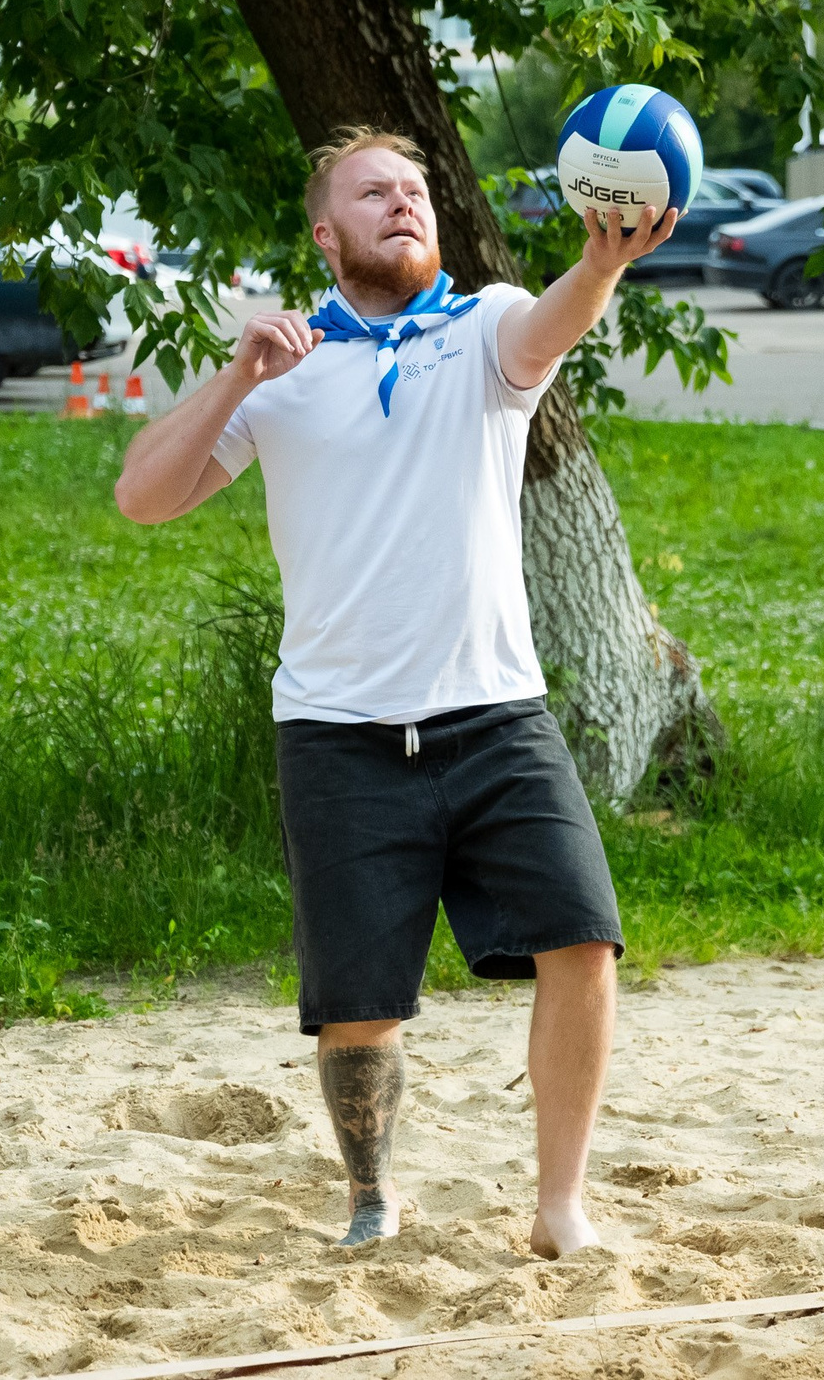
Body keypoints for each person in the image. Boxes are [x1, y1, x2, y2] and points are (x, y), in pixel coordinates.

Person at [112, 127, 679, 1257]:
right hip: (337, 733)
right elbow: (143, 494)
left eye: (415, 189)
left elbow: (552, 323)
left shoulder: (480, 330)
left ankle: (560, 1208)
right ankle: (371, 1196)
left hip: (495, 713)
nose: (405, 203)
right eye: (375, 192)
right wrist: (238, 372)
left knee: (584, 939)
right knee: (358, 1001)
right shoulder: (284, 371)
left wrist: (602, 262)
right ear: (327, 234)